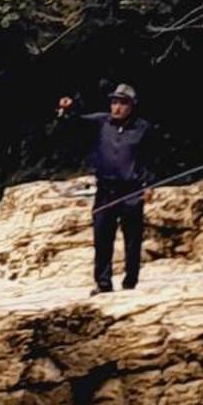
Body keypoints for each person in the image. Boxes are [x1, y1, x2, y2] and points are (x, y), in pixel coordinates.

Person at [55, 83, 157, 294]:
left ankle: (130, 282)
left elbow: (151, 158)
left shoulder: (143, 128)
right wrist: (68, 109)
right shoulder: (102, 122)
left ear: (132, 105)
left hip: (132, 190)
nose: (117, 107)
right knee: (102, 237)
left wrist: (149, 184)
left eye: (122, 103)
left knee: (132, 239)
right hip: (106, 189)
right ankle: (103, 283)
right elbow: (76, 122)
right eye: (114, 102)